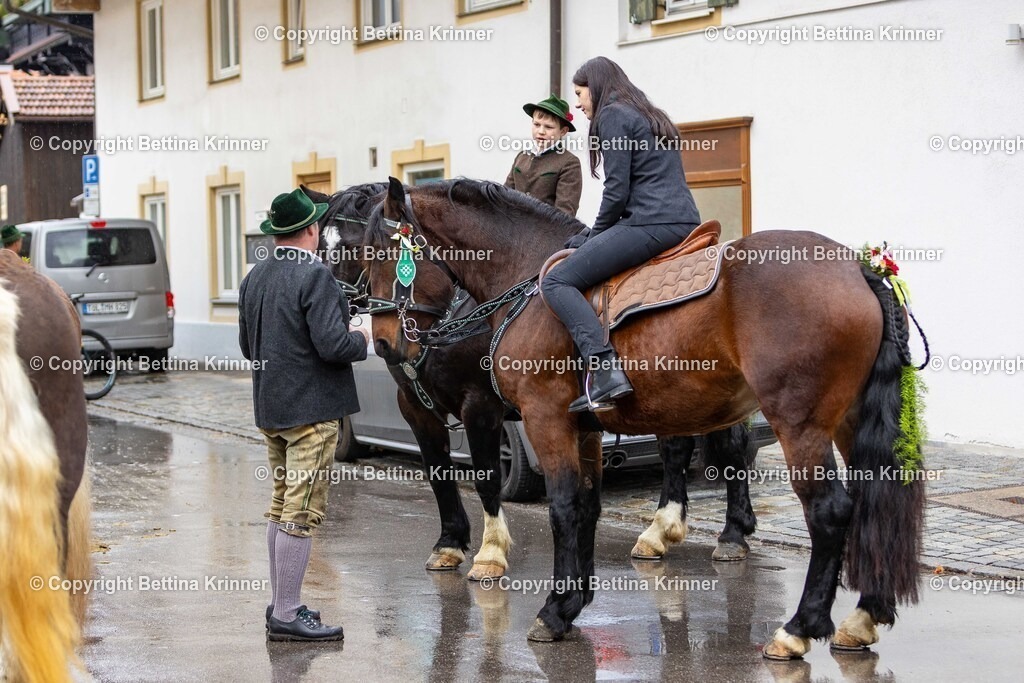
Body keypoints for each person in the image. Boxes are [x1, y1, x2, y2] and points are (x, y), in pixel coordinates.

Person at [238, 188, 370, 642]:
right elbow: (334, 345)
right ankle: (288, 613)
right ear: (311, 230)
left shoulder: (254, 276)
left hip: (271, 409)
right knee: (301, 511)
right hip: (312, 412)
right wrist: (362, 336)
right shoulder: (316, 275)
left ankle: (282, 604)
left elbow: (246, 347)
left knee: (280, 505)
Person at [541, 57, 701, 413]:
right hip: (686, 223)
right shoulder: (650, 114)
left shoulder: (613, 115)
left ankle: (604, 370)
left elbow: (616, 193)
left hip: (649, 224)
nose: (578, 104)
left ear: (596, 87)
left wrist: (592, 237)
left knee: (556, 282)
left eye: (580, 94)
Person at [505, 94, 583, 216]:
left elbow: (565, 213)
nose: (541, 131)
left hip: (544, 232)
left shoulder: (569, 163)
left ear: (563, 131)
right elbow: (504, 196)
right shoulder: (522, 156)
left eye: (548, 127)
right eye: (537, 124)